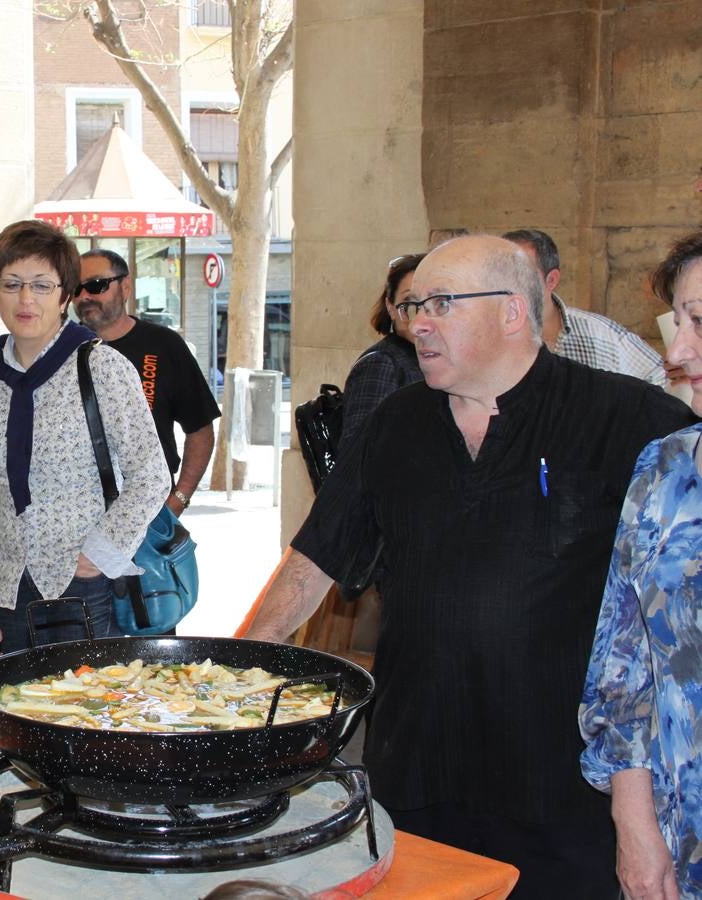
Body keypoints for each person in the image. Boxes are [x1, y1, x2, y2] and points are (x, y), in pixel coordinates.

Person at [243, 235, 693, 898]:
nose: (418, 321)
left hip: (564, 789)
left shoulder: (629, 420)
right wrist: (244, 669)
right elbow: (318, 554)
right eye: (414, 305)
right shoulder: (397, 423)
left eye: (442, 304)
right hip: (419, 769)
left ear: (513, 312)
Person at [0, 220, 169, 655]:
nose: (26, 299)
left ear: (65, 295)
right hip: (14, 588)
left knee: (85, 715)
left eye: (41, 285)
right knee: (15, 712)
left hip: (87, 586)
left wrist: (98, 556)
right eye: (11, 284)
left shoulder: (101, 367)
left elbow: (151, 473)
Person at [580, 230, 702, 900]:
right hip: (678, 840)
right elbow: (622, 671)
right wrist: (635, 828)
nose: (677, 354)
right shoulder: (666, 467)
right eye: (676, 322)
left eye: (699, 324)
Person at [75, 248, 220, 516]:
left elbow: (200, 429)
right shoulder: (62, 351)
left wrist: (177, 501)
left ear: (125, 286)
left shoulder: (164, 345)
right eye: (76, 287)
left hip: (148, 517)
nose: (84, 296)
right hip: (80, 519)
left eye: (96, 285)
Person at [503, 228, 669, 387]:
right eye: (499, 274)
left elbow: (662, 378)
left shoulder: (600, 334)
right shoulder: (484, 336)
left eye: (520, 275)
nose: (505, 285)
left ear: (551, 280)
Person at [339, 253, 425, 451]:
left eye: (434, 301)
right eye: (409, 302)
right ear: (391, 307)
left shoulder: (436, 358)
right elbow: (359, 451)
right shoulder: (382, 363)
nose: (419, 314)